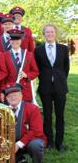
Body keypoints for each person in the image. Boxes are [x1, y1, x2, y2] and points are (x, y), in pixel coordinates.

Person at [34, 24, 70, 152]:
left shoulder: (63, 49)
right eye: (47, 32)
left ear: (55, 33)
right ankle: (48, 141)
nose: (50, 34)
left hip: (60, 87)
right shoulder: (38, 50)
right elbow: (37, 68)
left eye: (52, 32)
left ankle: (59, 143)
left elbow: (66, 68)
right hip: (45, 87)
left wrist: (60, 79)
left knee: (60, 115)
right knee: (47, 115)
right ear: (44, 34)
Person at [3, 83, 47, 163]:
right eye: (9, 95)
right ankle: (17, 159)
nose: (13, 97)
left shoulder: (32, 108)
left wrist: (18, 144)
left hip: (30, 141)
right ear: (6, 98)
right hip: (10, 142)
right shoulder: (2, 110)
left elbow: (36, 131)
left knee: (36, 145)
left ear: (21, 96)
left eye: (16, 94)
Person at [2, 29, 39, 102]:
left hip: (25, 91)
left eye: (17, 39)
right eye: (12, 40)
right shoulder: (4, 56)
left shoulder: (28, 55)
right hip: (10, 90)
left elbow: (35, 72)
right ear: (9, 41)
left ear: (21, 41)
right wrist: (3, 90)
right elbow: (3, 75)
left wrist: (26, 75)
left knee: (25, 112)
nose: (15, 42)